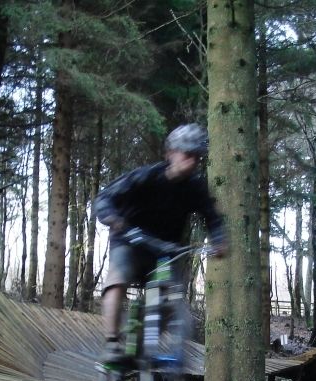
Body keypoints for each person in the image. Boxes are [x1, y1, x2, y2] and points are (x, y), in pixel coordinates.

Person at [92, 123, 227, 364]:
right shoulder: (146, 177)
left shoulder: (195, 187)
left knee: (171, 295)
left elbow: (212, 217)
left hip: (164, 251)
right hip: (130, 242)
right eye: (187, 155)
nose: (192, 162)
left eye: (197, 157)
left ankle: (145, 346)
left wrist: (219, 241)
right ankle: (112, 342)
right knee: (117, 280)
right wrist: (113, 219)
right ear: (170, 153)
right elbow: (104, 198)